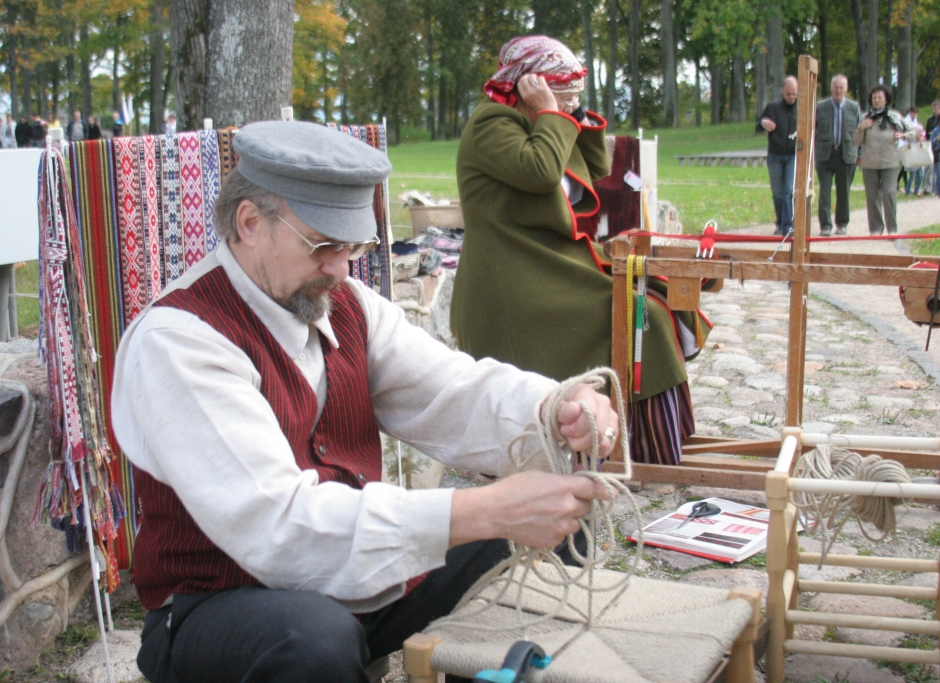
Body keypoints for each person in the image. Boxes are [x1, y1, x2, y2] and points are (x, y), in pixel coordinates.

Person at [111, 119, 620, 683]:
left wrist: (555, 409)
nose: (340, 268)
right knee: (314, 642)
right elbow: (278, 528)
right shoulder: (179, 341)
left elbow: (451, 389)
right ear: (250, 223)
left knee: (552, 526)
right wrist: (484, 509)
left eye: (353, 247)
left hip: (344, 582)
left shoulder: (346, 302)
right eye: (322, 245)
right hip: (216, 603)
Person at [450, 35, 707, 468]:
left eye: (574, 93)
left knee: (653, 303)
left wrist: (571, 113)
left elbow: (596, 169)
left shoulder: (541, 123)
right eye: (563, 91)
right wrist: (551, 113)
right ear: (530, 86)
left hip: (546, 263)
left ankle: (646, 442)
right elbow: (541, 170)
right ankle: (631, 444)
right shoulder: (491, 124)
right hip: (512, 280)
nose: (570, 100)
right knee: (640, 317)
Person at [854, 85, 907, 235]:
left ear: (886, 100)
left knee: (889, 193)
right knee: (872, 196)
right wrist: (861, 128)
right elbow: (856, 142)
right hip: (870, 163)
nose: (876, 100)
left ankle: (892, 229)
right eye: (874, 98)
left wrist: (903, 135)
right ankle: (876, 228)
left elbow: (915, 132)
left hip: (890, 162)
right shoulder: (865, 118)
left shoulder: (894, 117)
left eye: (880, 97)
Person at [814, 74, 861, 236]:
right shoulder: (820, 107)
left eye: (841, 87)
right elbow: (812, 130)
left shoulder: (854, 108)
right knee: (824, 192)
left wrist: (860, 155)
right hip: (825, 155)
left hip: (846, 154)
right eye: (836, 87)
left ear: (846, 89)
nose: (838, 90)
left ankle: (842, 224)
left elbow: (860, 132)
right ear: (831, 88)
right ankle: (825, 226)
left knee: (844, 192)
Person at [756, 76, 799, 236]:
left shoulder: (802, 108)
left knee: (788, 190)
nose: (792, 97)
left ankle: (787, 226)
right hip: (775, 155)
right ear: (782, 91)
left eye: (794, 94)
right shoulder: (773, 107)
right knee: (778, 193)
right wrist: (763, 123)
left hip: (793, 155)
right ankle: (781, 222)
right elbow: (758, 125)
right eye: (788, 94)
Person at [900, 107, 925, 197]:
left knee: (921, 174)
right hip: (911, 151)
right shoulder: (907, 122)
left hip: (918, 152)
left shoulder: (916, 122)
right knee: (912, 174)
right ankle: (908, 190)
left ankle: (916, 190)